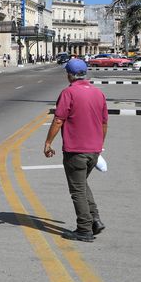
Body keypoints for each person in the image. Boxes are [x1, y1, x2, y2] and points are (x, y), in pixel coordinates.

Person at [43, 58, 108, 242]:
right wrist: (99, 144)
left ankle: (84, 229)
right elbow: (104, 123)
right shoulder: (98, 93)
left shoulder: (68, 93)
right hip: (94, 151)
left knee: (77, 190)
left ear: (70, 75)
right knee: (81, 184)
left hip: (75, 151)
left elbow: (58, 120)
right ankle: (95, 219)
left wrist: (48, 142)